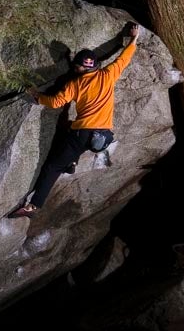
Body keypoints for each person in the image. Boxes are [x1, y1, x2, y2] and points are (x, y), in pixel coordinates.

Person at [9, 22, 141, 218]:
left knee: (53, 166)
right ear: (95, 66)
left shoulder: (75, 84)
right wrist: (134, 39)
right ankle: (71, 162)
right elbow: (124, 59)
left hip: (83, 134)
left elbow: (55, 102)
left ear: (79, 68)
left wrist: (37, 96)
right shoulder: (108, 75)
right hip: (102, 137)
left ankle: (33, 206)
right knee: (71, 132)